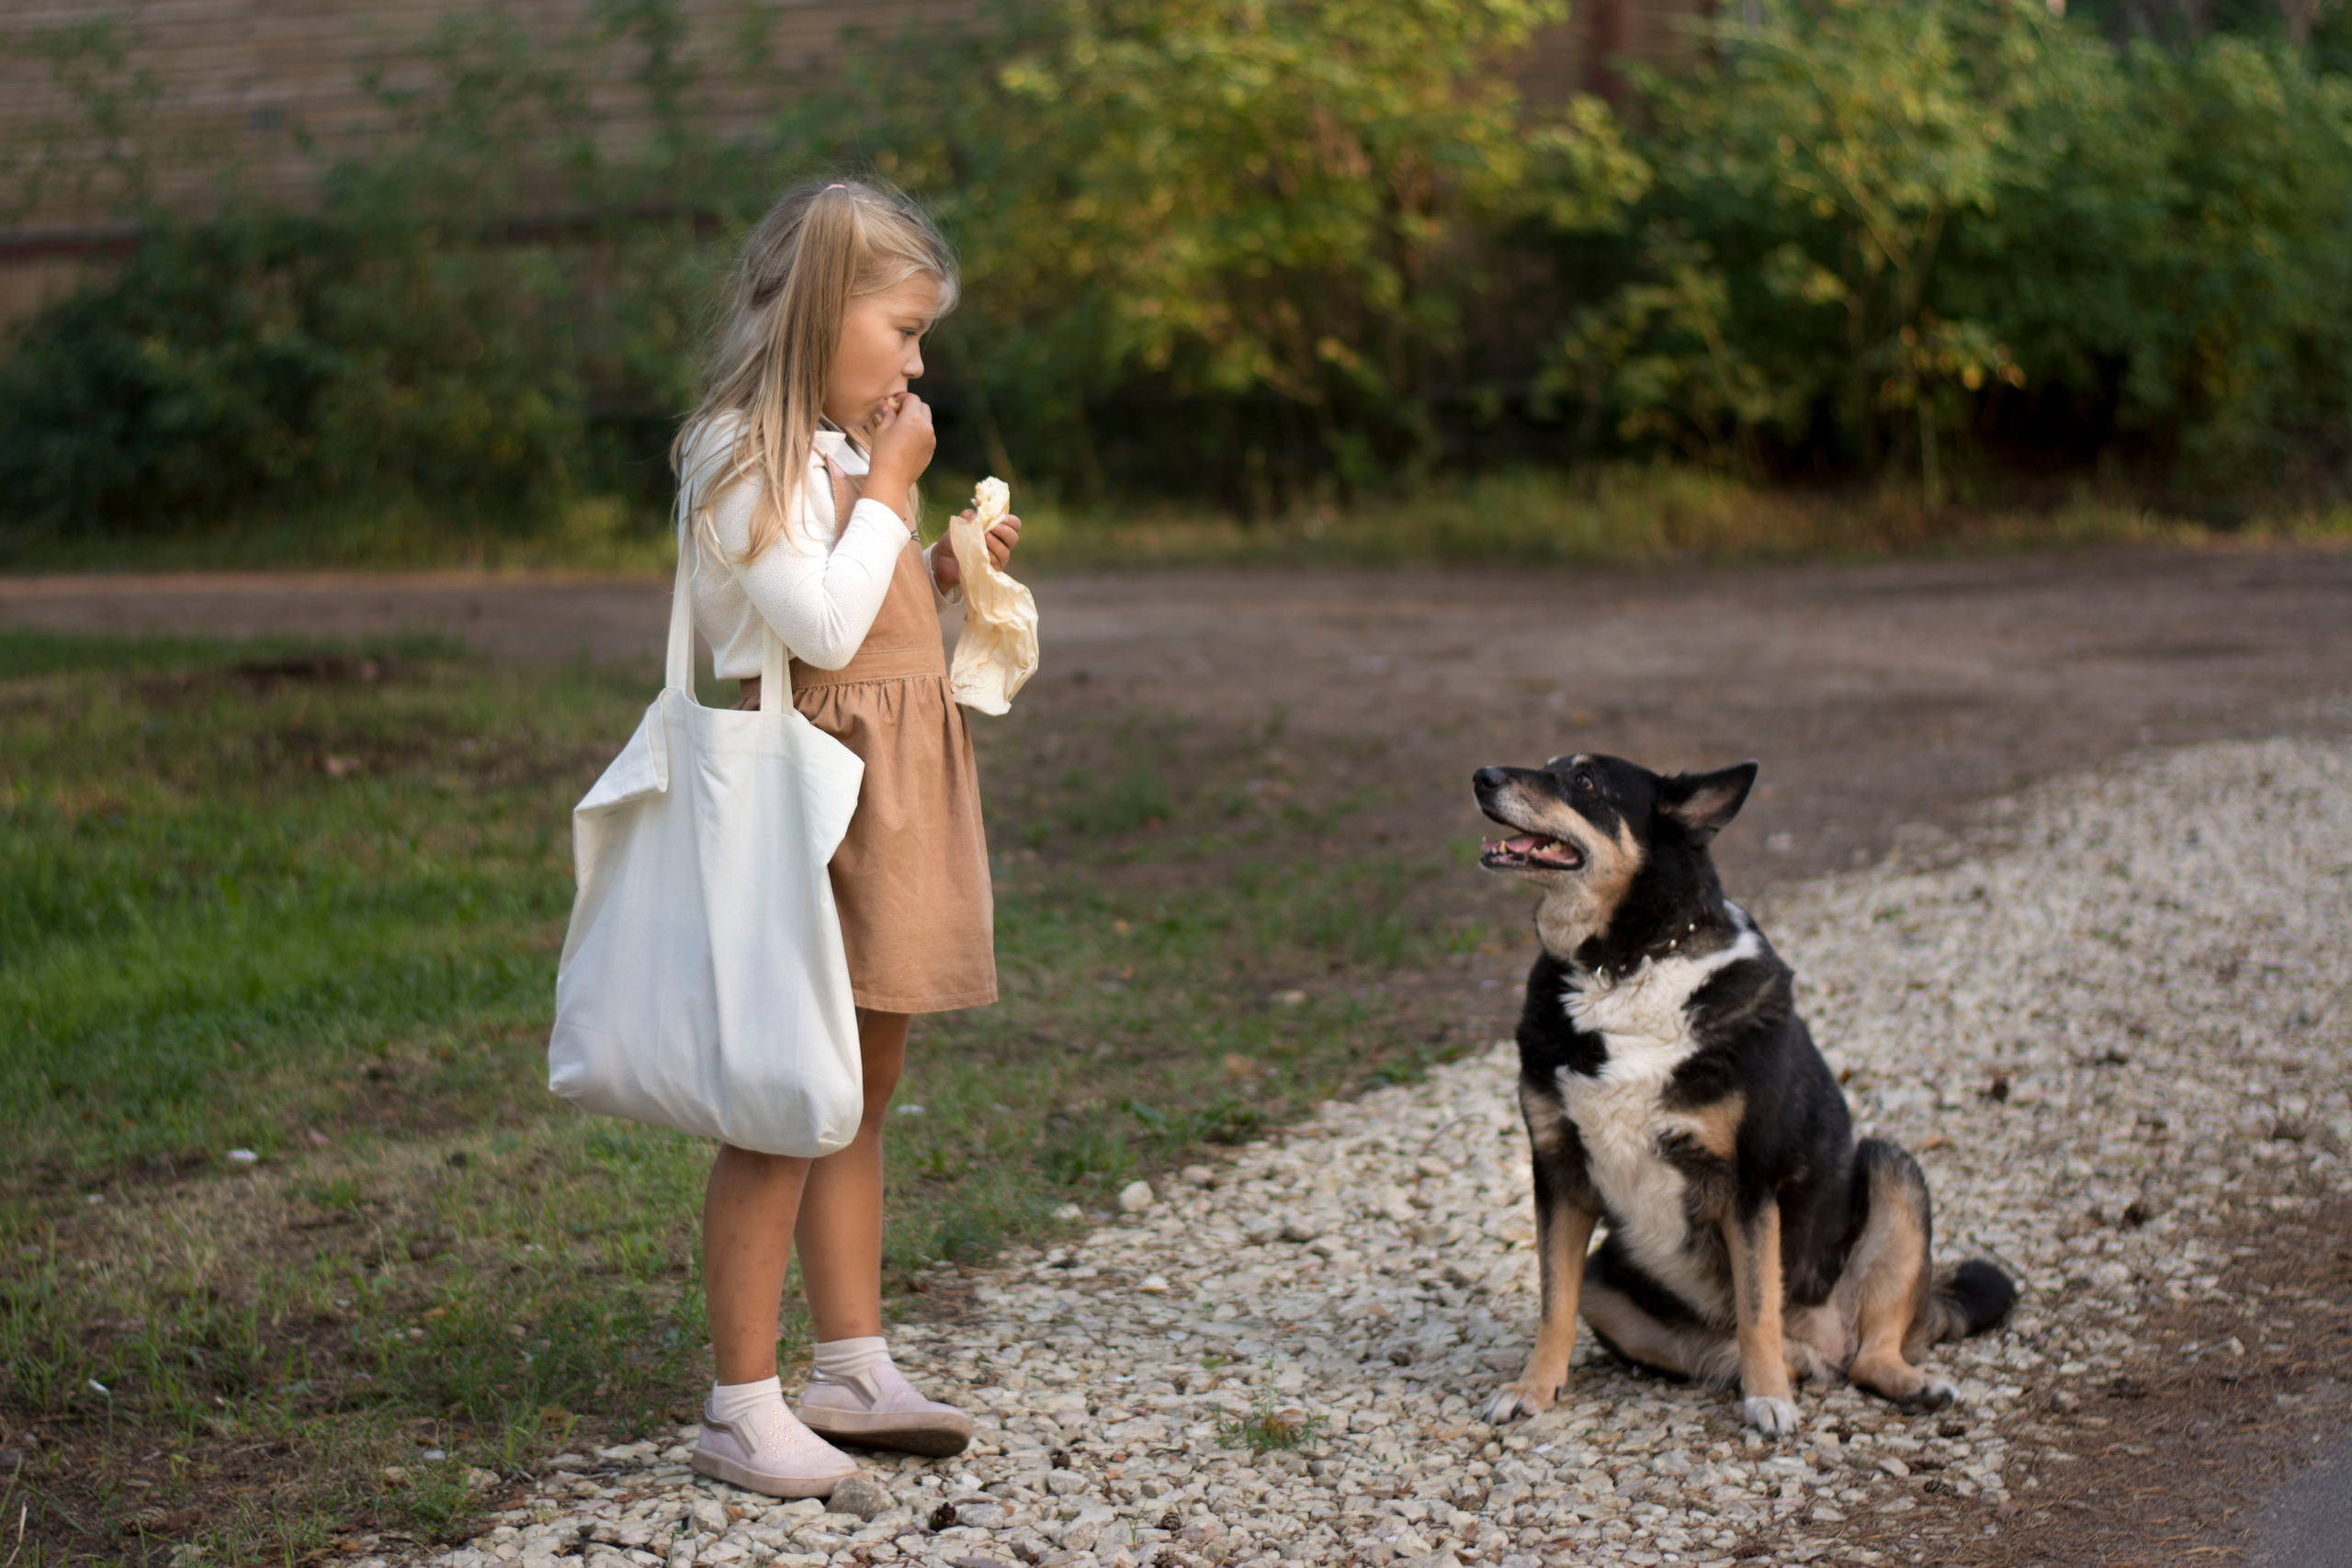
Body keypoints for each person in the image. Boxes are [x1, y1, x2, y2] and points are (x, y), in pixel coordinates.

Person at [669, 177, 1021, 1499]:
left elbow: (858, 604)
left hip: (892, 792)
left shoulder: (831, 456)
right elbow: (812, 630)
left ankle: (852, 1367)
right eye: (904, 331)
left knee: (862, 1089)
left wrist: (939, 570)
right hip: (810, 799)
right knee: (788, 1096)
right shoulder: (738, 451)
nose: (917, 365)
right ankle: (739, 1406)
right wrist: (893, 489)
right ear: (822, 309)